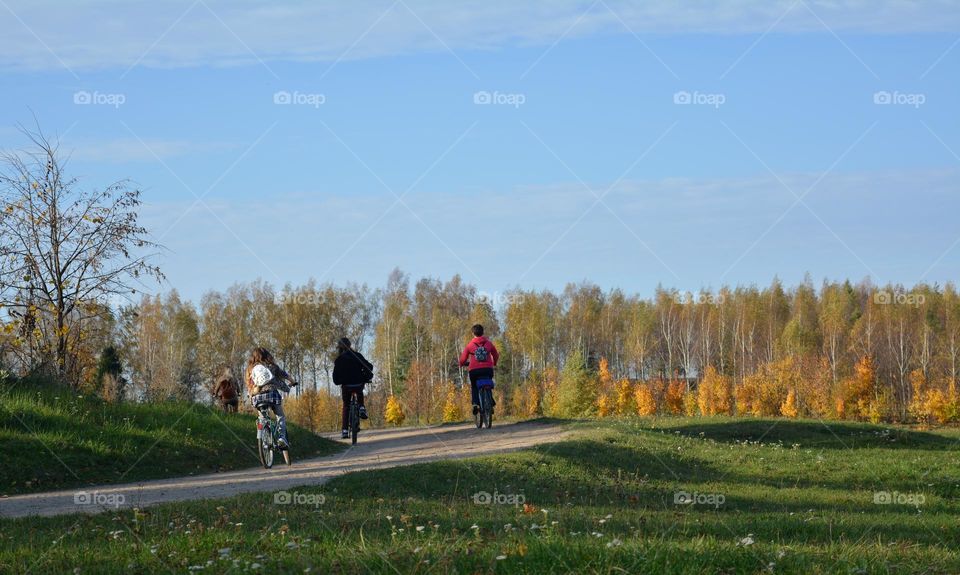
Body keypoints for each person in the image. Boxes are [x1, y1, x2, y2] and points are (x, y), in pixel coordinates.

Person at [245, 347, 297, 449]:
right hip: (271, 395)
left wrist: (251, 393)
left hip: (257, 398)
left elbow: (249, 385)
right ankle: (282, 438)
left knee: (262, 418)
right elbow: (284, 375)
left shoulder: (249, 370)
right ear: (267, 355)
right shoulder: (272, 366)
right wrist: (292, 381)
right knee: (280, 416)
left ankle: (263, 438)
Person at [332, 337, 374, 439]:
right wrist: (366, 376)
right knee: (359, 390)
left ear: (339, 348)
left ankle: (345, 431)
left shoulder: (338, 360)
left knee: (346, 406)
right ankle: (361, 407)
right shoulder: (357, 356)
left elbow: (335, 377)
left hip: (346, 386)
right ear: (350, 345)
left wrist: (339, 382)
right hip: (358, 384)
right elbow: (369, 367)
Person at [459, 324, 499, 414]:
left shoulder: (470, 345)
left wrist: (461, 364)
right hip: (488, 369)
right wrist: (494, 363)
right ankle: (490, 402)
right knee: (488, 382)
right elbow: (495, 355)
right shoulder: (489, 343)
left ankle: (475, 404)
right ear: (483, 332)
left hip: (474, 370)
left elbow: (462, 359)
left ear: (473, 333)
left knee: (474, 386)